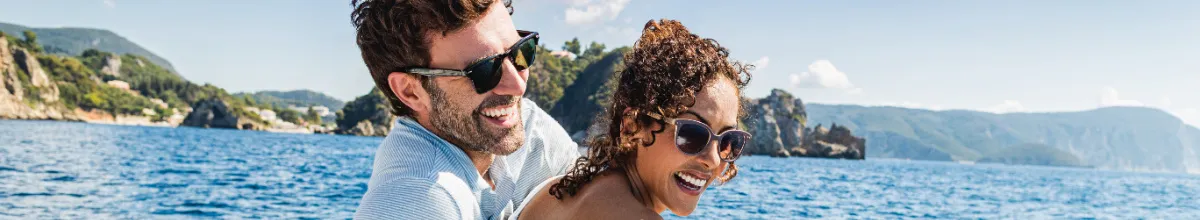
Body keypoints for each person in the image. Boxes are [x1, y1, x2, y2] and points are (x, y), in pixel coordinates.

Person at [349, 0, 580, 219]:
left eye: (521, 52)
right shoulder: (418, 199)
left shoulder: (530, 127)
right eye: (485, 69)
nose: (517, 86)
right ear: (410, 91)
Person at [512, 19, 754, 219]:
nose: (712, 160)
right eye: (692, 134)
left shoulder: (579, 190)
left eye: (728, 141)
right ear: (633, 127)